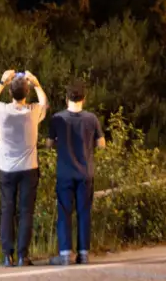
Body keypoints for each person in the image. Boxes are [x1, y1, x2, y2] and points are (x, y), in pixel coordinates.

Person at [0, 68, 48, 267]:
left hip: (6, 168)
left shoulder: (2, 112)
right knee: (26, 212)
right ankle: (23, 255)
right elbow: (44, 103)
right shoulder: (33, 112)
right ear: (27, 93)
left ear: (10, 93)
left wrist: (2, 81)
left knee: (7, 210)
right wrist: (37, 83)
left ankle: (7, 255)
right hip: (29, 169)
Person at [47, 80, 105, 266]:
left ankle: (64, 253)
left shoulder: (57, 118)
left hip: (65, 172)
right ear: (84, 99)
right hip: (85, 173)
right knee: (84, 212)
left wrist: (59, 144)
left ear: (66, 99)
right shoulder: (92, 119)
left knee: (64, 212)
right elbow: (101, 144)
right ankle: (83, 253)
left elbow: (48, 144)